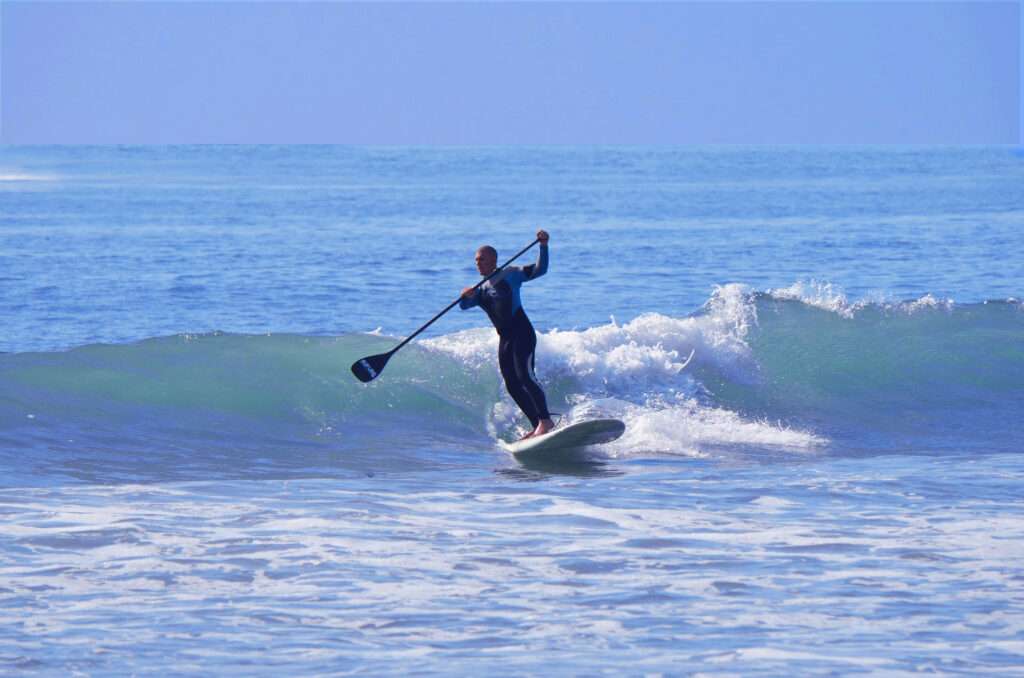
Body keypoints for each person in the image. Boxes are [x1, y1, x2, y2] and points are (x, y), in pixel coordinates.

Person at [460, 230, 554, 440]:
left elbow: (541, 270)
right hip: (505, 339)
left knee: (526, 377)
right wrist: (464, 296)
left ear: (493, 260)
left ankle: (546, 421)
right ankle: (538, 425)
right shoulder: (480, 289)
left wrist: (543, 246)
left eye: (482, 259)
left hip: (522, 333)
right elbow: (465, 306)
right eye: (476, 260)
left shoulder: (510, 274)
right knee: (511, 384)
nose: (478, 263)